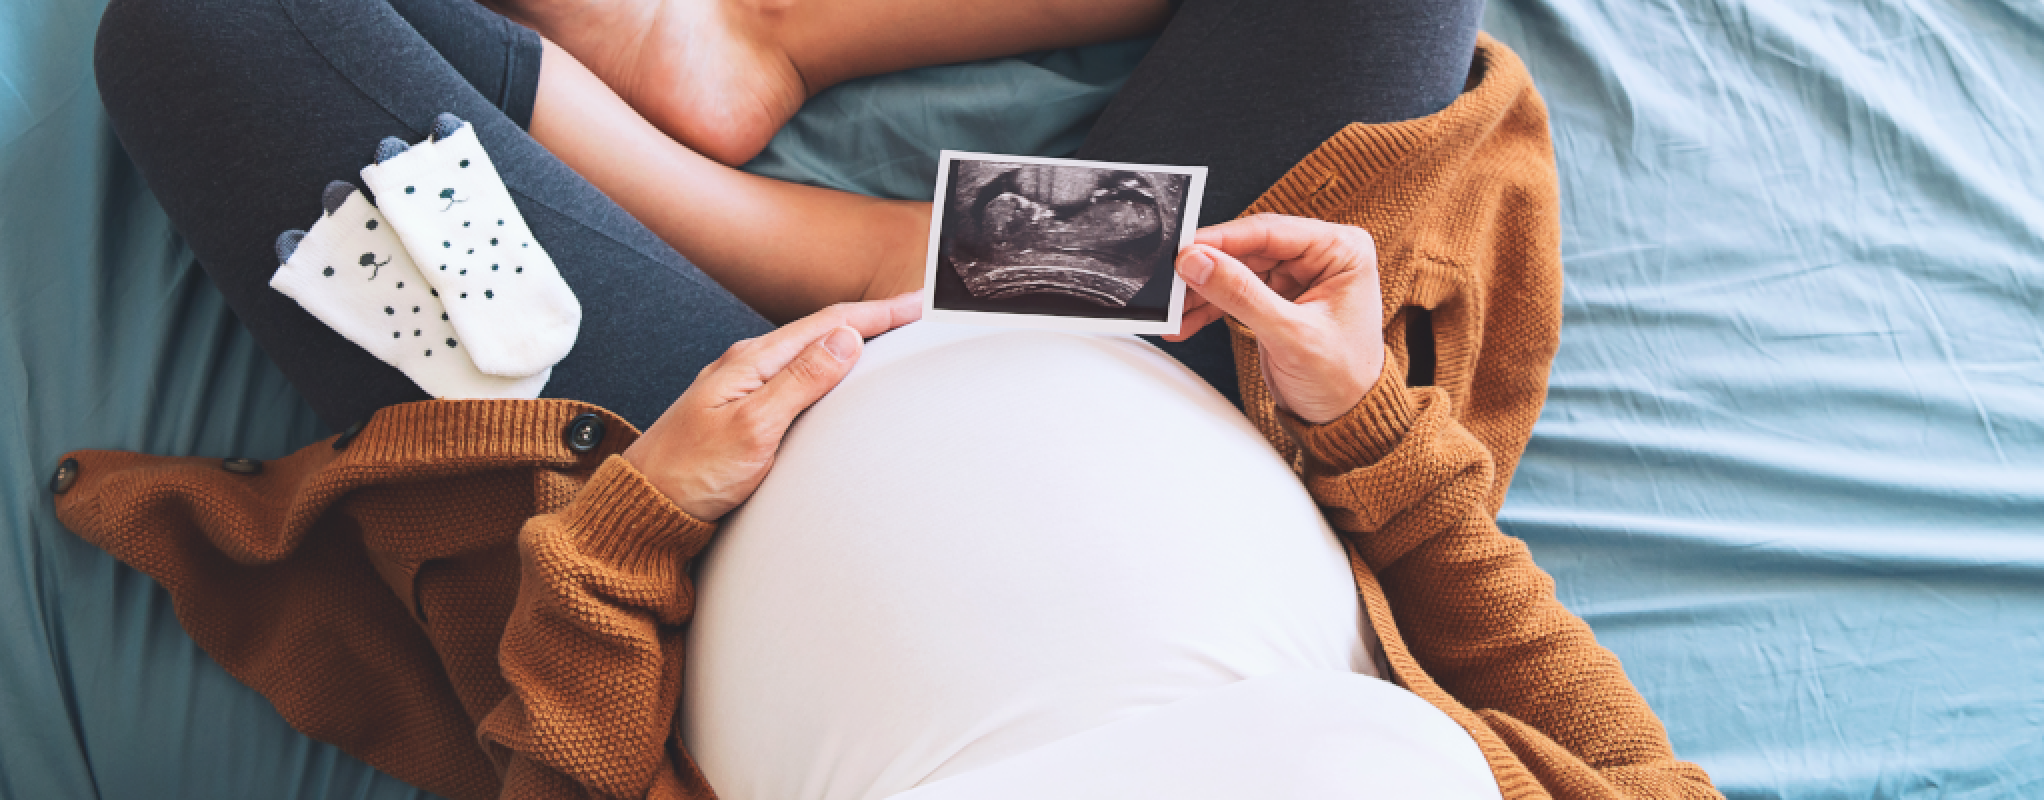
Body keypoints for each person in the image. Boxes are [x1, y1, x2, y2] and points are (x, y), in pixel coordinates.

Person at [66, 0, 1725, 795]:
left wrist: (649, 522)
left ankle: (806, 215)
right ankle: (763, 72)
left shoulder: (668, 490)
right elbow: (1565, 708)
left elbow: (569, 778)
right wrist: (1362, 417)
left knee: (210, 34)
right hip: (1203, 345)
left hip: (684, 450)